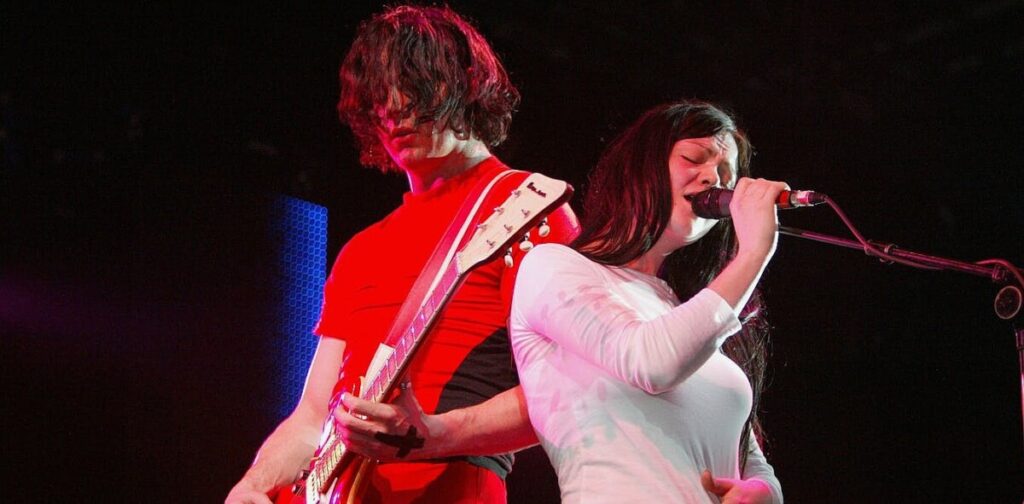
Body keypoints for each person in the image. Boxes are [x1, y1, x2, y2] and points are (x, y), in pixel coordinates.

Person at [226, 5, 577, 504]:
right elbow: (310, 417)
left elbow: (571, 387)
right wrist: (253, 486)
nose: (392, 107)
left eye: (412, 84)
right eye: (378, 95)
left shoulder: (524, 209)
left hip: (452, 486)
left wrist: (436, 433)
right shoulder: (361, 250)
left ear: (465, 82)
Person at [509, 100, 785, 503]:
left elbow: (745, 450)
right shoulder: (553, 267)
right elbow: (650, 363)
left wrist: (764, 490)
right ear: (641, 166)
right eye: (695, 158)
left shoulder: (688, 311)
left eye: (726, 173)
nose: (714, 177)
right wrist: (754, 253)